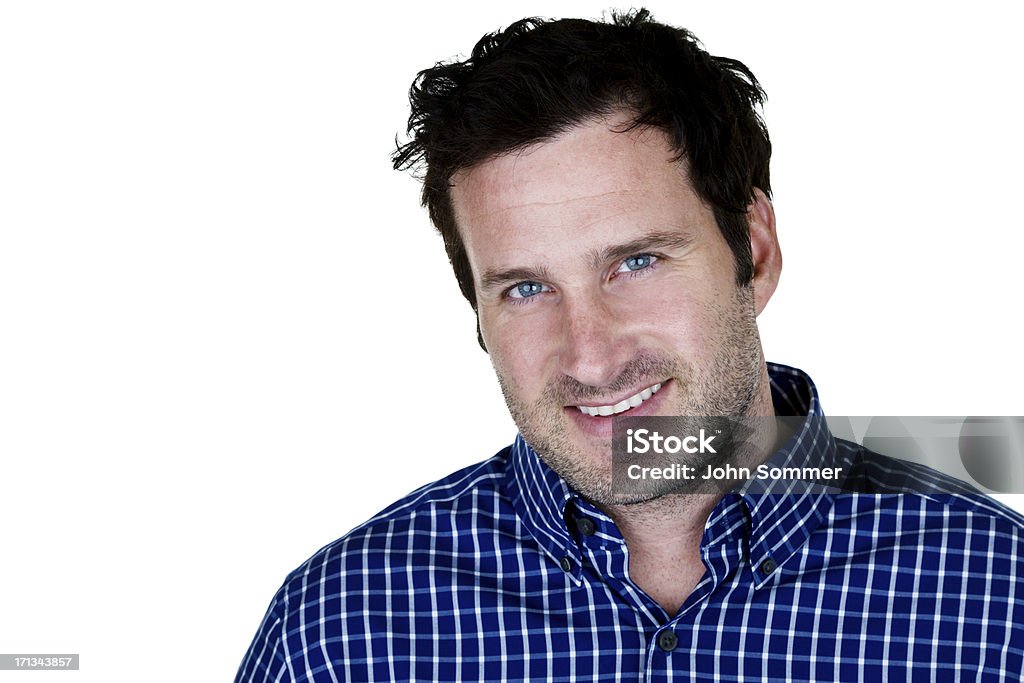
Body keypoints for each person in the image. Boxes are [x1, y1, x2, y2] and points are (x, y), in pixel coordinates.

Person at [235, 9, 1024, 681]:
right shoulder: (339, 637)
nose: (591, 356)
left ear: (755, 250)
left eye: (635, 262)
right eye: (525, 287)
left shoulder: (999, 601)